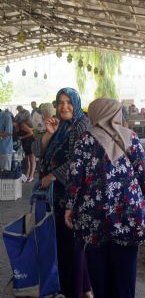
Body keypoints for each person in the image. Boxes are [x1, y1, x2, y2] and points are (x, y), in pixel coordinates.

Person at [65, 98, 145, 298]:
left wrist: (69, 207)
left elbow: (75, 178)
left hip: (93, 219)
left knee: (100, 278)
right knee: (125, 278)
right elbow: (144, 175)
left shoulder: (85, 140)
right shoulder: (130, 137)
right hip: (128, 216)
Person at [39, 88, 92, 298]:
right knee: (66, 243)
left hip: (73, 195)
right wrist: (49, 135)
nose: (64, 107)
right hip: (59, 195)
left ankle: (75, 291)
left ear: (77, 103)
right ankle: (85, 288)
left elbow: (79, 160)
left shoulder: (81, 125)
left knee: (71, 245)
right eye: (60, 102)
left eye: (69, 102)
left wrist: (53, 176)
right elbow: (42, 154)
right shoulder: (63, 127)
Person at [15, 106, 36, 182]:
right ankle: (27, 175)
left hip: (30, 141)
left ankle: (31, 176)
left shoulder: (22, 125)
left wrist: (22, 137)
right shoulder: (16, 126)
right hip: (24, 142)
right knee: (27, 160)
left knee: (32, 159)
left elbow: (31, 133)